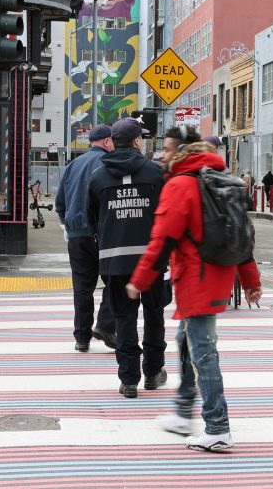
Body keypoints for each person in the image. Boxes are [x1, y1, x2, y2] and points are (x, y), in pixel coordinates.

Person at [126, 127, 262, 452]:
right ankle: (184, 410)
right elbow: (242, 234)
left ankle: (217, 427)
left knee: (203, 352)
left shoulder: (181, 185)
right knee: (187, 341)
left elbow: (161, 240)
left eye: (168, 148)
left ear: (184, 151)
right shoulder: (220, 178)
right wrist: (250, 281)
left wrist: (140, 281)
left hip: (195, 281)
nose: (162, 154)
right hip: (218, 276)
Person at [87, 118, 167, 399]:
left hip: (115, 260)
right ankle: (154, 372)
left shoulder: (98, 177)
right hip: (151, 260)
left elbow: (92, 219)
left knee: (124, 319)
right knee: (154, 315)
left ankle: (129, 379)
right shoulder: (156, 174)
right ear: (136, 141)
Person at [55, 125, 116, 352]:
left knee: (82, 287)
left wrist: (68, 225)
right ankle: (104, 324)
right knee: (115, 281)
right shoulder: (108, 165)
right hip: (102, 235)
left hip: (76, 235)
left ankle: (82, 338)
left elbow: (60, 202)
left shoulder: (73, 166)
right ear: (107, 142)